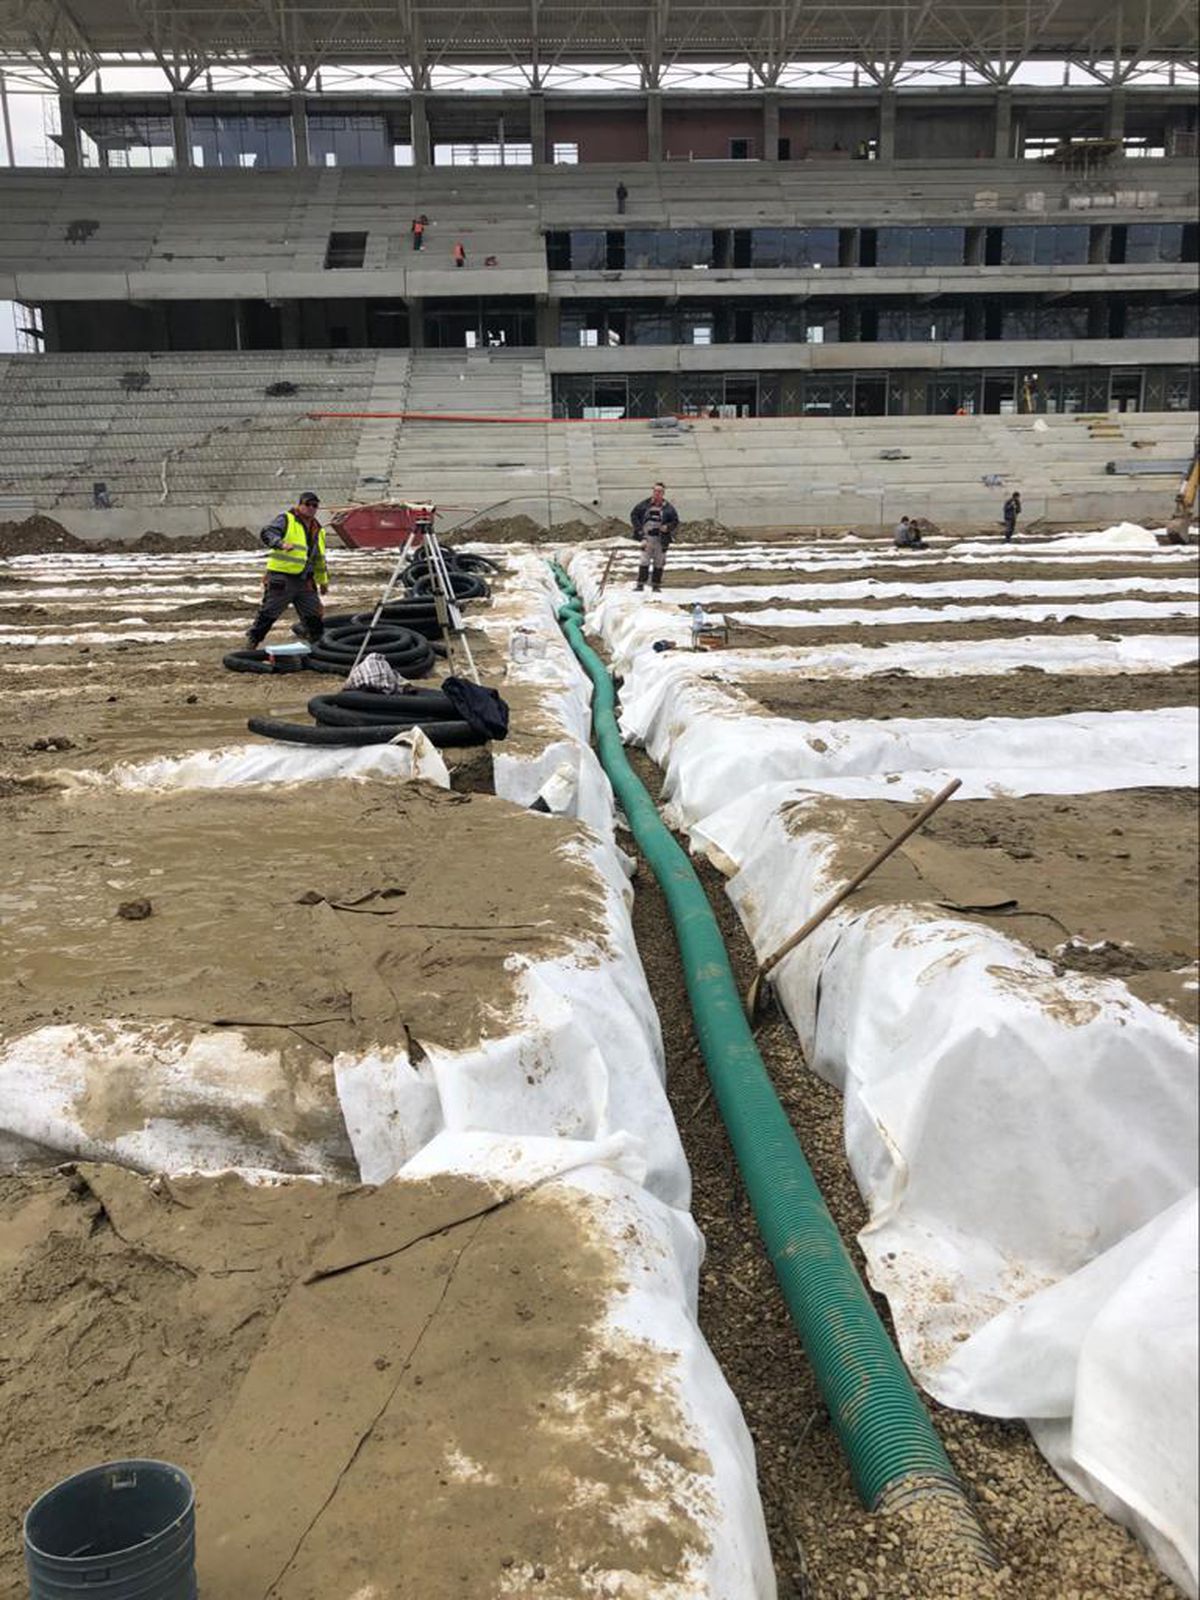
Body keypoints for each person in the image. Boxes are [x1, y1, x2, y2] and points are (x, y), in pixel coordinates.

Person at [245, 490, 329, 650]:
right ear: (300, 505)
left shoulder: (318, 529)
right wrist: (281, 543)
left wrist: (323, 581)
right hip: (282, 578)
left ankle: (317, 647)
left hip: (305, 581)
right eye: (307, 504)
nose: (311, 508)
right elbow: (267, 532)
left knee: (314, 616)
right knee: (269, 613)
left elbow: (319, 558)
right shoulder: (286, 519)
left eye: (315, 505)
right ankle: (252, 641)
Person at [630, 482, 680, 593]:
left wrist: (667, 527)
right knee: (644, 561)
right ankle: (640, 584)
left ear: (663, 493)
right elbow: (634, 515)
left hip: (661, 539)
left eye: (660, 492)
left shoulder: (668, 508)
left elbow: (675, 521)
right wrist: (639, 530)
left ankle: (656, 585)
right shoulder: (644, 505)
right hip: (647, 538)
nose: (657, 494)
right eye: (655, 491)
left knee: (659, 562)